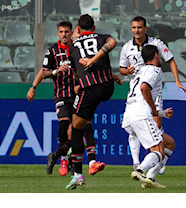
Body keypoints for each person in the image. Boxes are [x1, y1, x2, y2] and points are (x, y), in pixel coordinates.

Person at [119, 16, 180, 174]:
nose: (136, 31)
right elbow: (122, 69)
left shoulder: (156, 44)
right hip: (140, 91)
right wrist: (127, 71)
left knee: (155, 128)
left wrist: (177, 81)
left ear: (145, 28)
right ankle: (140, 164)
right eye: (134, 28)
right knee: (150, 138)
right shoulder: (127, 47)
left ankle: (152, 167)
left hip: (149, 91)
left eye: (139, 27)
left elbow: (171, 60)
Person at [66, 14, 118, 190]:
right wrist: (98, 62)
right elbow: (113, 42)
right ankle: (92, 161)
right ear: (93, 28)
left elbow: (77, 71)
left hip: (90, 89)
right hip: (108, 86)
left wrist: (89, 61)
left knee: (76, 127)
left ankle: (77, 175)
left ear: (78, 29)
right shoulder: (101, 37)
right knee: (85, 122)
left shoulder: (73, 46)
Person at [27, 21, 76, 176]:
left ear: (71, 33)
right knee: (64, 128)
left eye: (67, 32)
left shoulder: (77, 49)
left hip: (78, 94)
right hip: (61, 94)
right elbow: (44, 72)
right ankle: (57, 156)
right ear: (57, 33)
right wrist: (33, 87)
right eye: (61, 32)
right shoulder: (52, 51)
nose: (64, 35)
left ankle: (64, 159)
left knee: (72, 132)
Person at [122, 45, 174, 188]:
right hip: (141, 114)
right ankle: (140, 170)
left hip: (129, 115)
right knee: (158, 151)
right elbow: (144, 88)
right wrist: (152, 108)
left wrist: (161, 113)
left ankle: (150, 178)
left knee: (169, 143)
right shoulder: (154, 70)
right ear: (156, 56)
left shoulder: (138, 72)